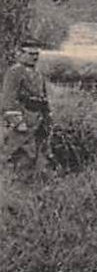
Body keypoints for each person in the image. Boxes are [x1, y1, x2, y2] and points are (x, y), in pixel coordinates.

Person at [1, 41, 52, 175]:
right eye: (30, 54)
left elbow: (43, 97)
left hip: (37, 119)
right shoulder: (14, 72)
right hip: (23, 118)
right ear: (21, 54)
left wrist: (48, 117)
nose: (35, 57)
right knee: (15, 152)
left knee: (37, 155)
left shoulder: (38, 73)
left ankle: (31, 184)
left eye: (36, 54)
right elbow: (8, 99)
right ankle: (12, 186)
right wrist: (17, 122)